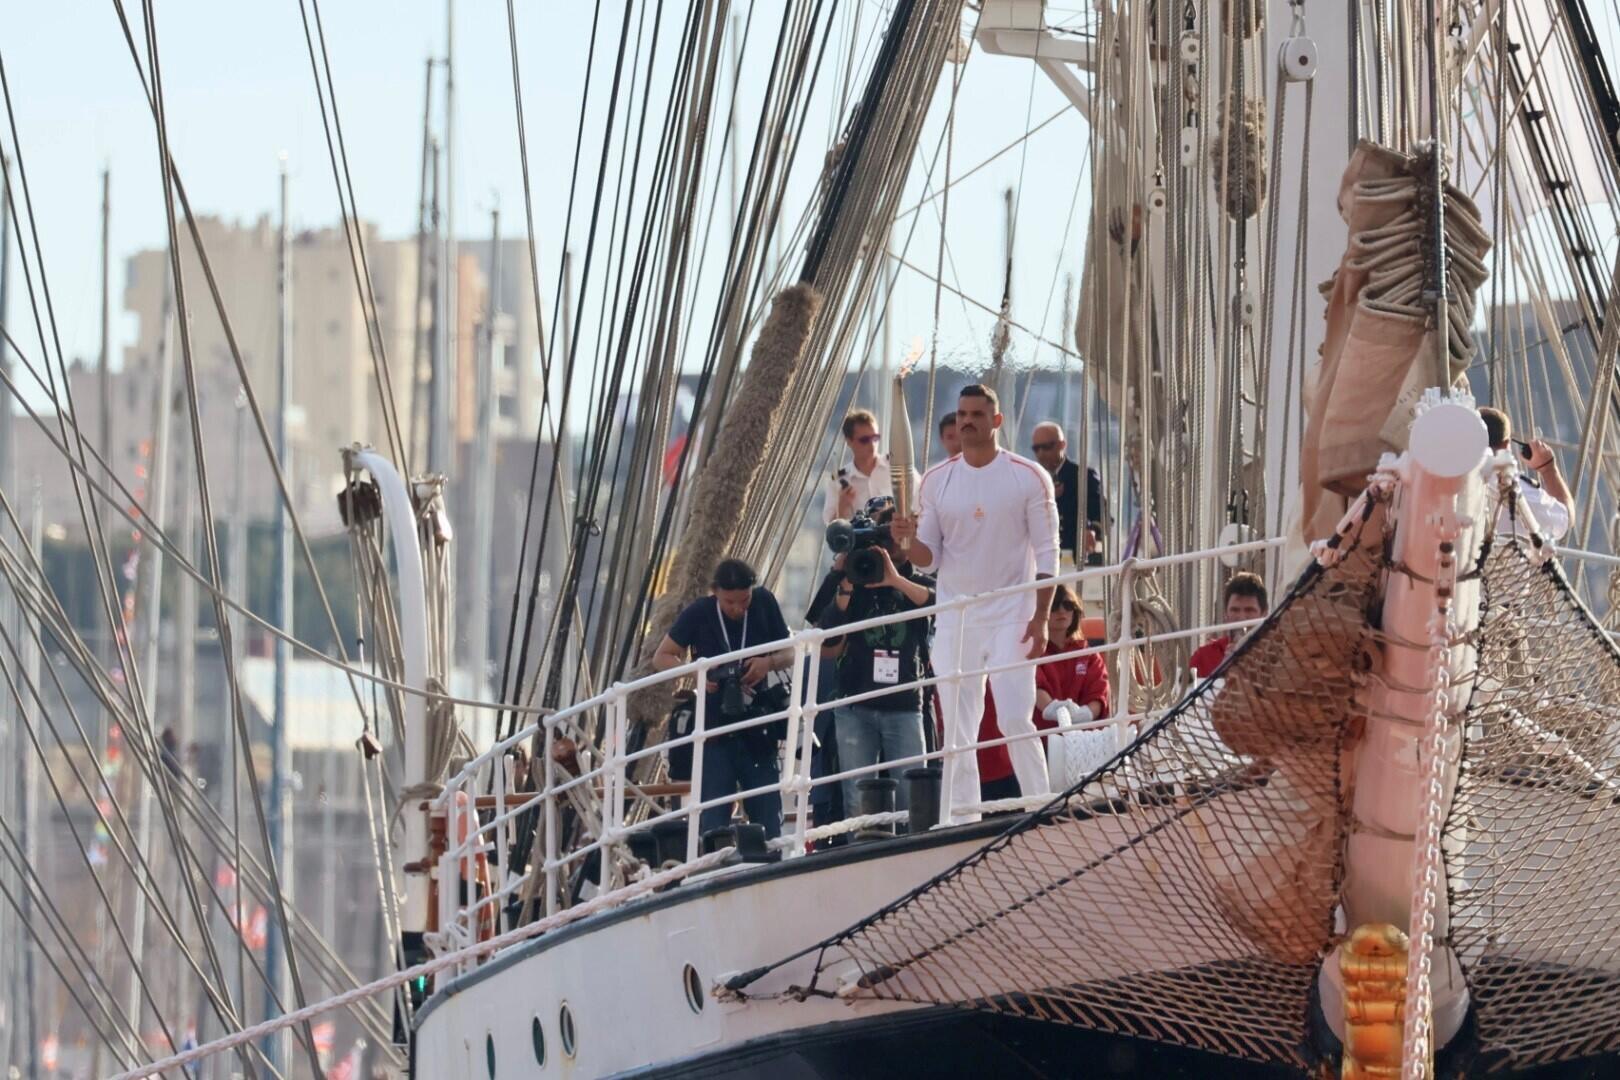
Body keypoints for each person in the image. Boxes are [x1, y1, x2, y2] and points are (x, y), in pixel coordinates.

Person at [891, 383, 1058, 823]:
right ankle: (961, 817)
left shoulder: (1027, 476)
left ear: (996, 421)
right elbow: (929, 560)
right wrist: (906, 541)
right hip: (957, 615)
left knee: (1013, 718)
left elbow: (1047, 554)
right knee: (958, 731)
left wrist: (1040, 618)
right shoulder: (937, 480)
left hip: (1013, 612)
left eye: (977, 415)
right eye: (962, 414)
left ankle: (1039, 807)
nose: (967, 421)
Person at [652, 558, 795, 839]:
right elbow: (662, 656)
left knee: (768, 819)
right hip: (715, 730)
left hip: (758, 728)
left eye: (744, 600)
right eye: (730, 602)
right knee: (715, 822)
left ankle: (768, 863)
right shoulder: (700, 612)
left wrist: (768, 663)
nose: (739, 608)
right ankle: (715, 867)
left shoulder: (764, 602)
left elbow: (791, 652)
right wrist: (697, 673)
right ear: (715, 592)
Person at [815, 499, 936, 819]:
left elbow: (937, 604)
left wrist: (895, 579)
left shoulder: (914, 578)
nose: (890, 544)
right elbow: (821, 632)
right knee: (858, 799)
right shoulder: (854, 573)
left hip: (905, 703)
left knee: (913, 797)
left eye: (896, 534)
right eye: (883, 535)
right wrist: (844, 583)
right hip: (856, 703)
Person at [977, 585, 1109, 799]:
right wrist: (1051, 708)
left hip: (1080, 749)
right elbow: (1032, 685)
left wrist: (1084, 713)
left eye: (1068, 606)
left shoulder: (1088, 655)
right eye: (1055, 606)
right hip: (1040, 748)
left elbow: (1099, 692)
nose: (1062, 611)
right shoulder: (1028, 651)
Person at [1478, 406, 1572, 541]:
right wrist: (1548, 469)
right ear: (1506, 444)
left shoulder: (1444, 476)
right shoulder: (1520, 491)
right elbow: (1565, 518)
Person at [823, 408, 921, 524]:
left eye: (875, 438)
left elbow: (921, 506)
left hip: (896, 539)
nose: (872, 444)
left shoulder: (897, 468)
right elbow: (833, 530)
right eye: (865, 440)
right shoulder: (838, 481)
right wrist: (842, 507)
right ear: (849, 441)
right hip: (859, 541)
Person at [1029, 421, 1104, 569]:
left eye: (1047, 447)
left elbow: (1103, 514)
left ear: (1062, 445)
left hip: (1076, 559)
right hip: (1039, 561)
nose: (1041, 453)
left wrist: (1093, 530)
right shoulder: (1031, 480)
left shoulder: (1083, 476)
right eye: (1036, 449)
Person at [1190, 572, 1269, 679]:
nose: (1242, 617)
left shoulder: (1276, 655)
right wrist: (1224, 665)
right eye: (1235, 610)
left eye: (1249, 610)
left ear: (1264, 613)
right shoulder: (1203, 656)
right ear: (1225, 614)